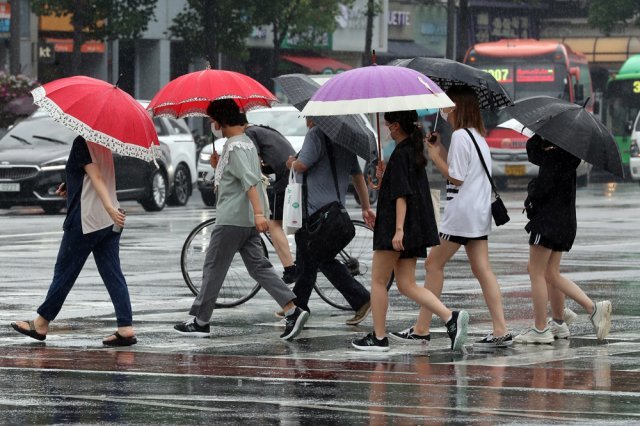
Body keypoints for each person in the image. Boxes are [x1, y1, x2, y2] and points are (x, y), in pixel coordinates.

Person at [174, 99, 308, 340]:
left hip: (232, 219)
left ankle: (201, 320)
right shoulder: (246, 143)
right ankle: (292, 309)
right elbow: (247, 176)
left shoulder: (235, 146)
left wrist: (258, 213)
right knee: (259, 267)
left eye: (212, 120)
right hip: (246, 221)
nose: (212, 125)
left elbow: (248, 181)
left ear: (222, 121)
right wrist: (219, 166)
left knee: (213, 267)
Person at [389, 85, 512, 349]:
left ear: (456, 106)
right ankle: (501, 329)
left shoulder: (460, 136)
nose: (443, 109)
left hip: (461, 214)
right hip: (478, 214)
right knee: (483, 269)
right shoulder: (477, 136)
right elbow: (462, 169)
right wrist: (440, 148)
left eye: (446, 103)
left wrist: (434, 156)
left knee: (433, 265)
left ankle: (423, 328)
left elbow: (456, 177)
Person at [351, 110, 469, 352]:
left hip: (397, 228)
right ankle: (450, 317)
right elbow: (401, 188)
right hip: (412, 227)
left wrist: (398, 230)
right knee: (406, 284)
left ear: (395, 126)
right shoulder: (410, 152)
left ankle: (379, 336)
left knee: (378, 281)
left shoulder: (401, 154)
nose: (384, 130)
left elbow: (402, 195)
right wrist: (385, 178)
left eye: (386, 125)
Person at [10, 136, 136, 346]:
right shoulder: (104, 141)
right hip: (109, 223)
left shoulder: (82, 141)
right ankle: (125, 327)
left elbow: (95, 176)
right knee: (113, 274)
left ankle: (41, 323)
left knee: (64, 272)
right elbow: (92, 174)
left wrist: (108, 209)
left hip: (87, 220)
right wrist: (72, 185)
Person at [515, 134, 612, 344]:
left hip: (548, 222)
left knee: (536, 272)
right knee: (551, 272)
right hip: (564, 221)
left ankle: (544, 327)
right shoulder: (568, 153)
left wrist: (531, 191)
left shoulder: (552, 156)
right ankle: (558, 323)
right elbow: (536, 156)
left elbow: (541, 189)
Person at [286, 118, 374, 326]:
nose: (305, 119)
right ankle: (297, 307)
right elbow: (357, 175)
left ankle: (361, 299)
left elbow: (302, 165)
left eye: (307, 115)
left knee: (318, 259)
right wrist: (365, 206)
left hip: (314, 214)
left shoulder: (315, 134)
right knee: (309, 259)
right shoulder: (344, 141)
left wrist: (290, 162)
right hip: (335, 213)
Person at [245, 123, 300, 283]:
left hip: (286, 176)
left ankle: (290, 269)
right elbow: (267, 164)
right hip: (292, 174)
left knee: (274, 223)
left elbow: (252, 164)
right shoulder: (260, 130)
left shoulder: (249, 134)